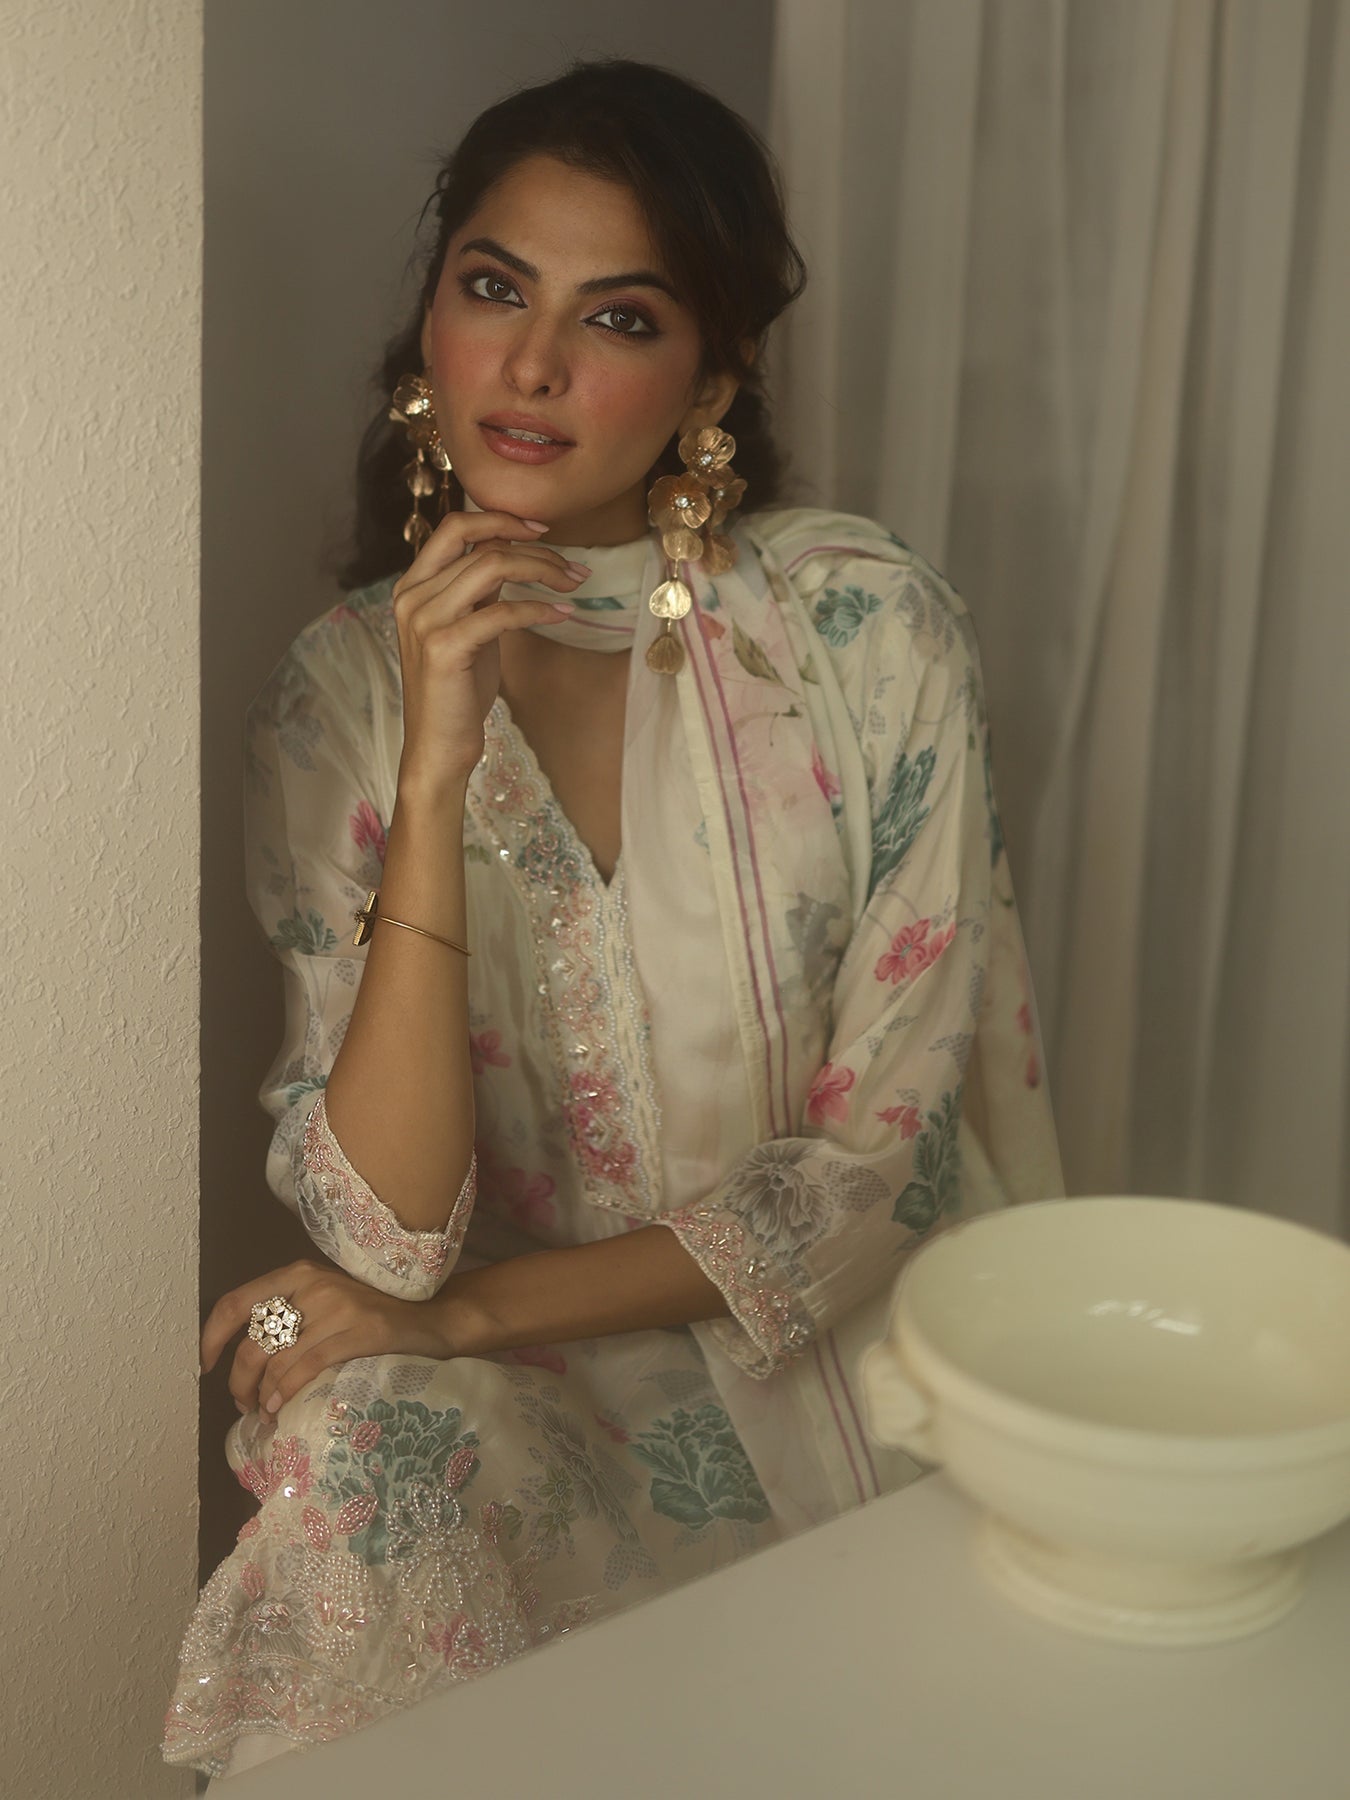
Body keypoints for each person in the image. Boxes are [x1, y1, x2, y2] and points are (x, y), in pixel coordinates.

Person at [163, 57, 1062, 1780]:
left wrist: (452, 1322)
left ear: (712, 379)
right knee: (349, 1433)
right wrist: (435, 770)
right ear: (430, 322)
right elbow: (384, 1243)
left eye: (619, 318)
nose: (533, 365)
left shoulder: (862, 633)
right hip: (537, 1398)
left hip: (844, 1349)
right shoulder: (337, 694)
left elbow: (882, 1166)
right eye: (494, 288)